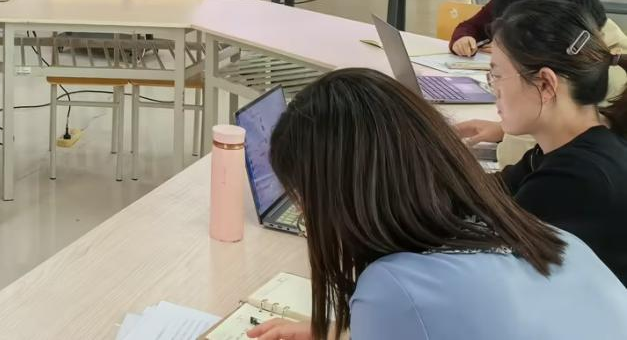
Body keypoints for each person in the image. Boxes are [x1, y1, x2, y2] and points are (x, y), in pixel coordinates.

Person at [247, 68, 627, 340]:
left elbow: (415, 309)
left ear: (344, 198)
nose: (309, 222)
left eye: (307, 206)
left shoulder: (392, 287)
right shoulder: (542, 235)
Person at [480, 0, 627, 285]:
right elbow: (491, 192)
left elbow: (493, 269)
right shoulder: (564, 151)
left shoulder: (574, 181)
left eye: (496, 75)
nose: (492, 88)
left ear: (546, 84)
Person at [455, 0, 626, 164]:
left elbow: (512, 162)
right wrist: (502, 130)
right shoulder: (592, 56)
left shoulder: (583, 85)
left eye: (498, 75)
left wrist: (515, 129)